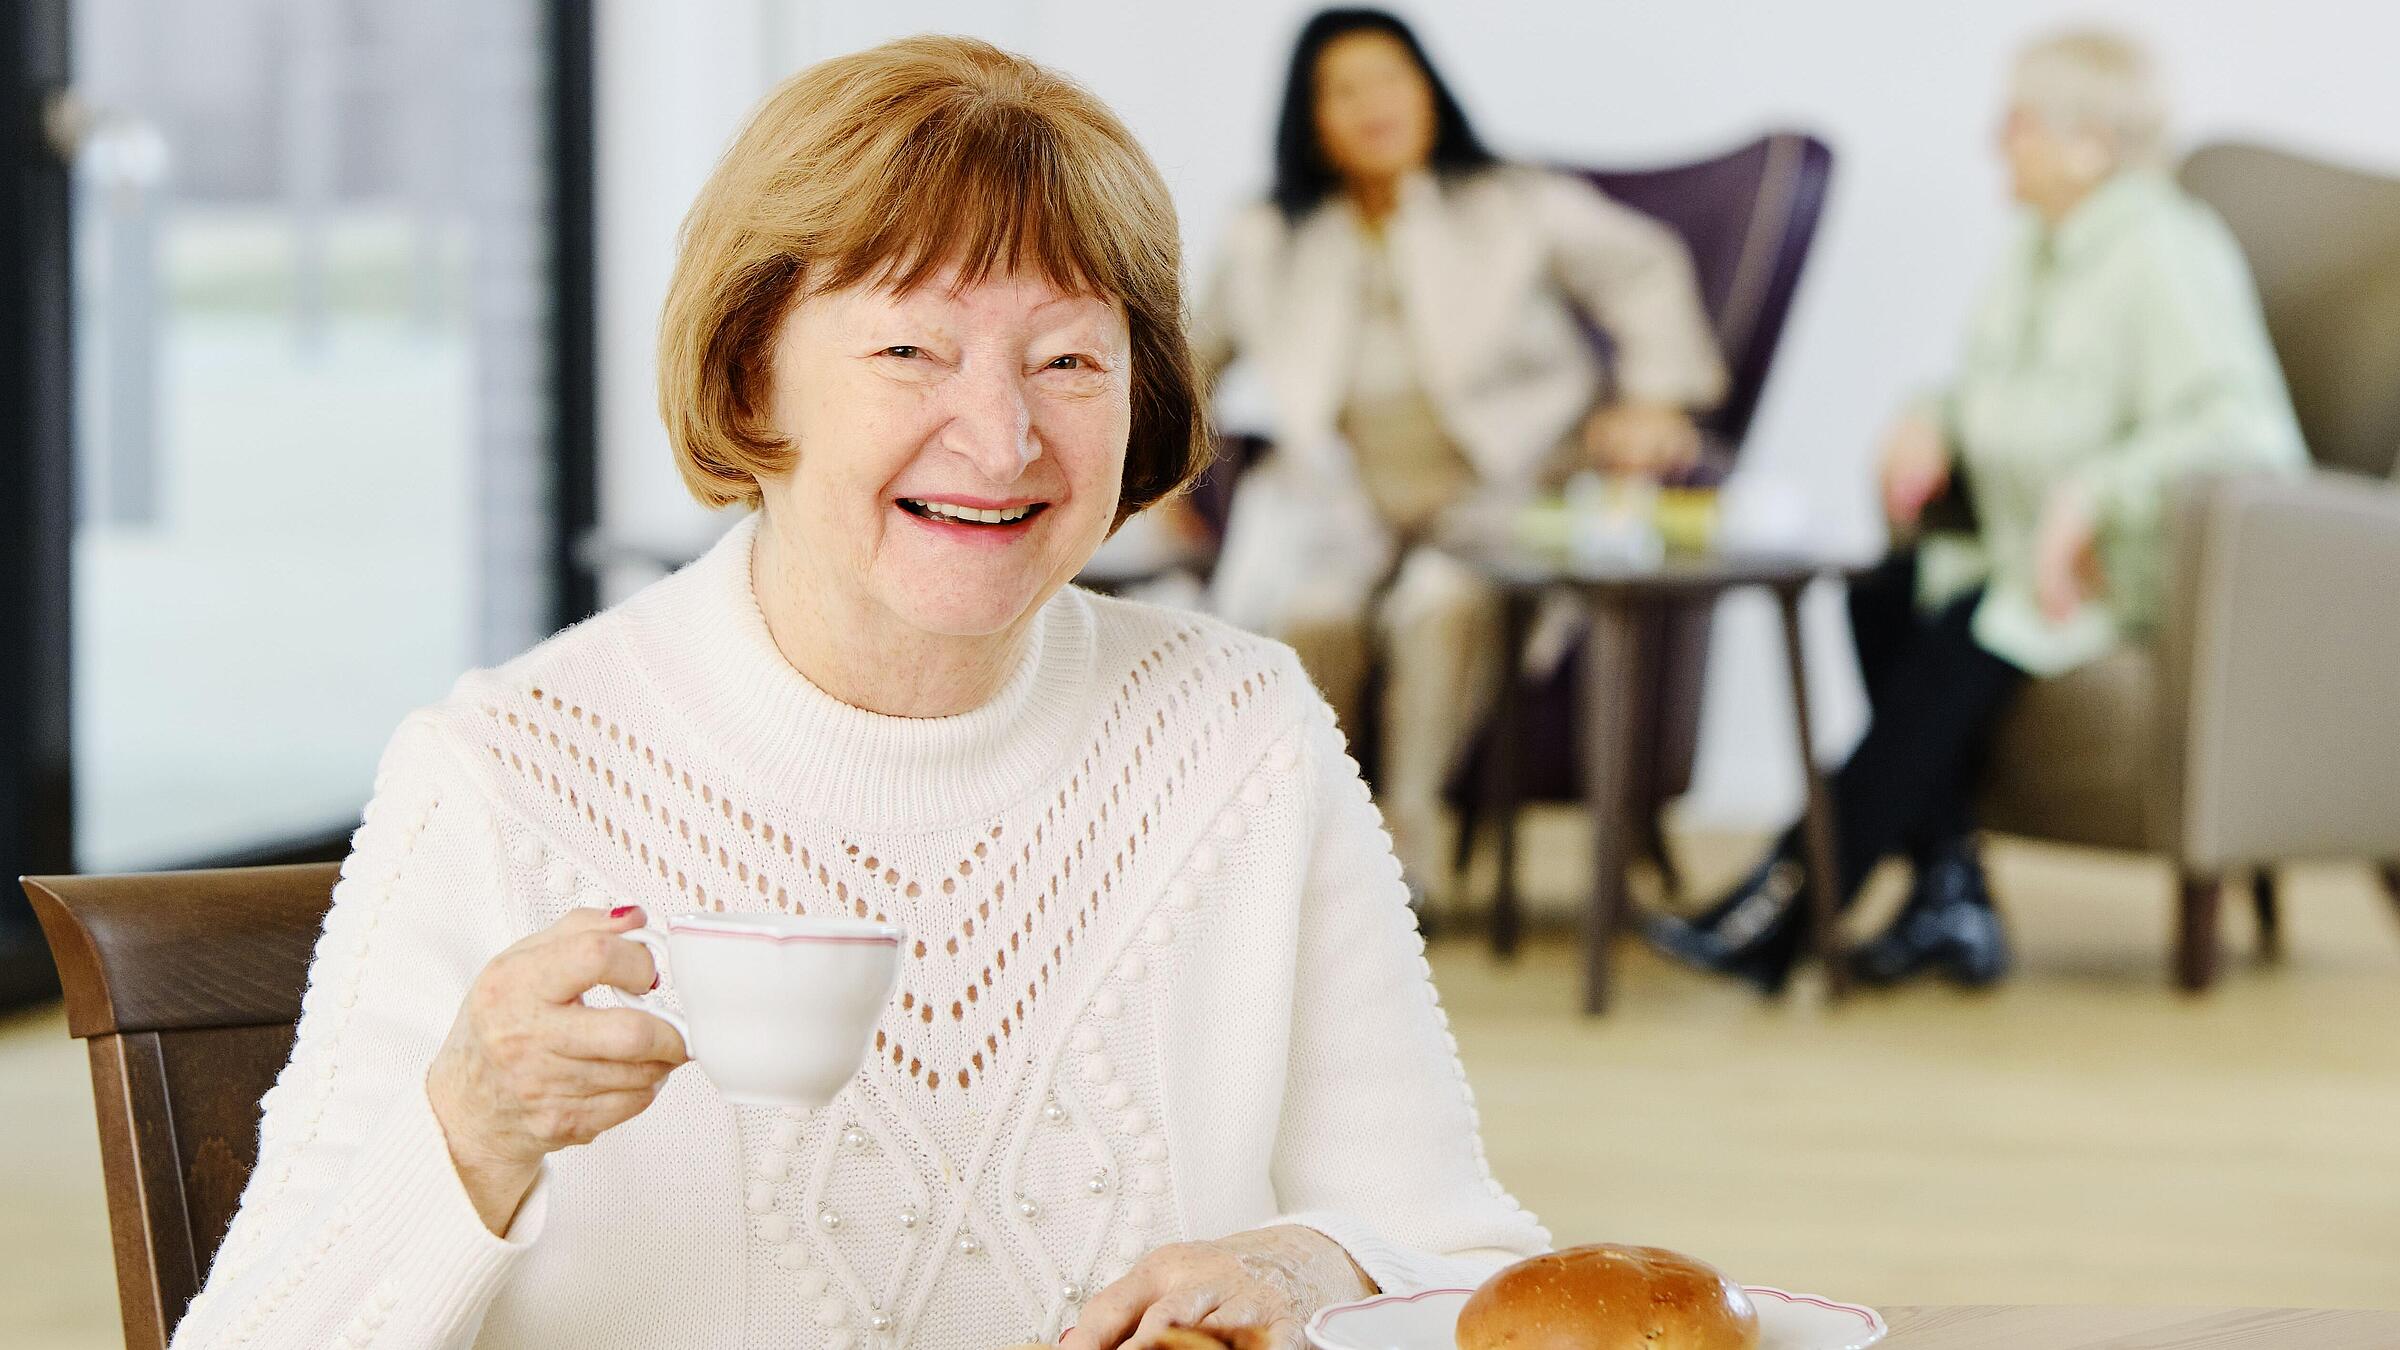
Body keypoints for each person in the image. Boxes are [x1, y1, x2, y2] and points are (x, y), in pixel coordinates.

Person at [168, 37, 1545, 1350]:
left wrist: (1308, 1270)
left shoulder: (1239, 726)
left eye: (1069, 360)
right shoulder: (503, 772)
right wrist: (471, 1131)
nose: (1004, 438)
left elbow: (1463, 1258)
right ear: (750, 368)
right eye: (911, 351)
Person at [1646, 30, 2306, 992]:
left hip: (2117, 574)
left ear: (2091, 142)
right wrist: (1924, 420)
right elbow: (1991, 392)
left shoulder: (2167, 250)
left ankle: (1788, 907)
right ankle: (1947, 892)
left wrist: (2094, 496)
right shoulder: (2035, 255)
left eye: (2021, 124)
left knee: (1954, 641)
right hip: (2012, 559)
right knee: (1880, 592)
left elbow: (2244, 432)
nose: (1999, 143)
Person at [1192, 8, 1725, 894]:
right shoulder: (1268, 234)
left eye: (1393, 79)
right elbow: (1188, 357)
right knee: (1312, 614)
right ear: (1309, 117)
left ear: (1430, 91)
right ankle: (1306, 849)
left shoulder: (1514, 200)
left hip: (1501, 486)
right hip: (1343, 494)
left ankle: (1409, 841)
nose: (1375, 106)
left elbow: (1644, 268)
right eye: (1344, 90)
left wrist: (1653, 399)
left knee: (1440, 606)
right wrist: (1156, 480)